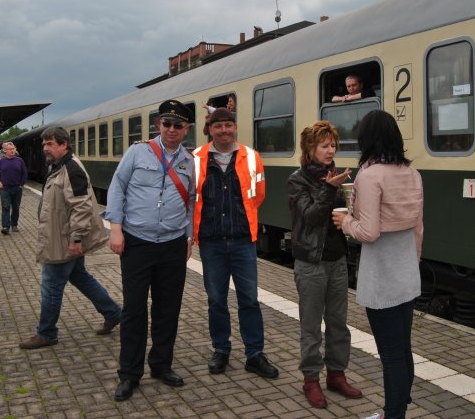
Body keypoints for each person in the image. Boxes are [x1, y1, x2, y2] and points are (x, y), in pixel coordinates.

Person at [332, 110, 424, 419]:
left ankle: (393, 414)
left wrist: (346, 221)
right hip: (406, 271)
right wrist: (412, 264)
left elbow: (368, 233)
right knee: (403, 349)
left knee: (391, 355)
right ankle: (397, 409)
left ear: (366, 140)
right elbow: (418, 229)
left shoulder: (370, 176)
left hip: (383, 275)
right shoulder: (412, 174)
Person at [106, 99, 195, 402]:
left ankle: (161, 365)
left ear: (186, 129)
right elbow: (117, 187)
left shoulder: (189, 161)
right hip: (138, 242)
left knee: (167, 309)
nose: (171, 129)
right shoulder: (137, 152)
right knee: (134, 310)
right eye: (166, 123)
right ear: (159, 125)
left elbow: (191, 201)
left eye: (178, 125)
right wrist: (115, 227)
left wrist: (188, 238)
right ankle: (129, 375)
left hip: (171, 244)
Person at [191, 108, 278, 379]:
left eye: (229, 125)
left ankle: (254, 354)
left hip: (243, 241)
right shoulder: (196, 159)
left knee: (249, 300)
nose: (224, 130)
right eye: (219, 126)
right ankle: (221, 350)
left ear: (235, 127)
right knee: (216, 300)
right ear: (211, 130)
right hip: (212, 242)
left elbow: (258, 194)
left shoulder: (252, 157)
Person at [19, 127, 122, 349]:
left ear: (64, 144)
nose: (45, 148)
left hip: (65, 240)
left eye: (50, 144)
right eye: (44, 144)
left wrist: (76, 240)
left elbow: (82, 207)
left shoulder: (71, 169)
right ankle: (113, 313)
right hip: (60, 236)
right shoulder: (59, 166)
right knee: (80, 277)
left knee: (51, 286)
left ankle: (47, 333)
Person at [287, 121, 362, 408]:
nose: (331, 150)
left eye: (333, 145)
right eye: (324, 146)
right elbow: (309, 217)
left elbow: (339, 215)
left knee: (338, 324)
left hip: (336, 259)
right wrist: (329, 189)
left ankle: (337, 375)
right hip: (311, 263)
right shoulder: (298, 180)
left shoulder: (335, 175)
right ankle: (311, 380)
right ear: (310, 148)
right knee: (310, 325)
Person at [0, 142, 28, 235]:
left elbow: (24, 173)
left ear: (15, 149)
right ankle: (5, 227)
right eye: (10, 149)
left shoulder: (20, 161)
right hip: (5, 189)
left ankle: (14, 224)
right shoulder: (1, 162)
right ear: (5, 151)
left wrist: (21, 184)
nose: (12, 151)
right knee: (6, 207)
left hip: (17, 188)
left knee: (16, 208)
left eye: (13, 149)